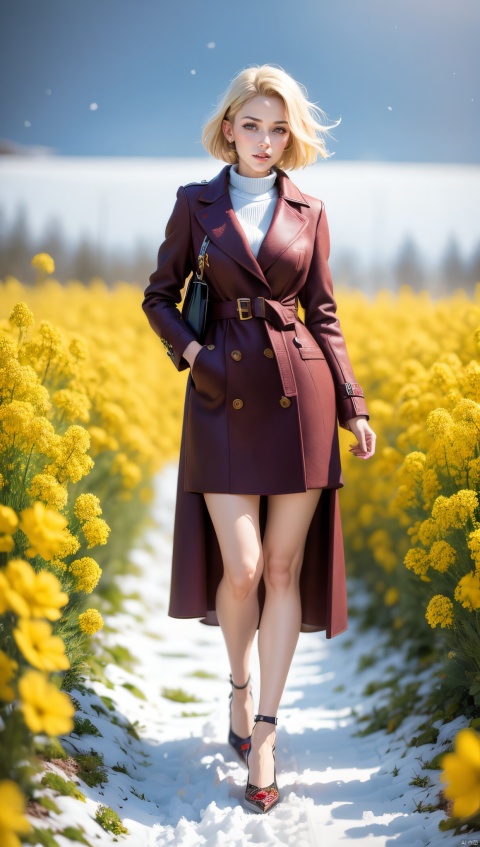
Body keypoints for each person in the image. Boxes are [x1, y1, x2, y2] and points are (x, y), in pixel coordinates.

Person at [142, 64, 376, 814]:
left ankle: (266, 729)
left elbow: (325, 313)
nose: (266, 141)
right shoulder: (194, 203)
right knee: (239, 568)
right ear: (228, 127)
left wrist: (353, 403)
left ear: (291, 135)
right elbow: (160, 296)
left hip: (298, 392)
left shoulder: (311, 209)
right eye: (253, 125)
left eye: (280, 128)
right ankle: (238, 687)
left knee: (281, 566)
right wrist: (194, 356)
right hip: (219, 395)